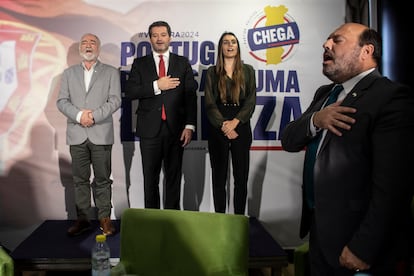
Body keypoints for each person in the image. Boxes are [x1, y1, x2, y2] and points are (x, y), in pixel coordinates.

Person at [281, 22, 414, 275]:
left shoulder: (391, 97)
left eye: (337, 40)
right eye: (327, 40)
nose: (326, 44)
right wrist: (315, 120)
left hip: (358, 242)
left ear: (366, 51)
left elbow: (394, 188)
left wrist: (364, 247)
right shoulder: (326, 94)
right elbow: (289, 140)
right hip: (320, 234)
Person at [124, 21, 197, 210]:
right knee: (150, 178)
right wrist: (157, 86)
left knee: (174, 177)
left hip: (176, 130)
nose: (159, 39)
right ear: (150, 39)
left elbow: (190, 96)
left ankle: (172, 219)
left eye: (163, 34)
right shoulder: (140, 64)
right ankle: (152, 221)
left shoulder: (182, 63)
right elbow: (131, 92)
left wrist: (189, 125)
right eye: (155, 35)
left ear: (170, 37)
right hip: (149, 130)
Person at [57, 33, 121, 236]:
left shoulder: (111, 72)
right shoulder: (68, 73)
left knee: (103, 180)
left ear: (98, 48)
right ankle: (82, 220)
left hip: (100, 133)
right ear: (79, 49)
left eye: (92, 42)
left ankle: (105, 221)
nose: (88, 45)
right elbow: (62, 101)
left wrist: (92, 116)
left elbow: (114, 100)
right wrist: (78, 115)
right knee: (79, 180)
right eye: (84, 42)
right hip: (77, 134)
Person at [204, 32, 256, 215]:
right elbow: (209, 104)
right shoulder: (212, 72)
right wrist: (224, 126)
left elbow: (250, 102)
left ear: (238, 46)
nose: (230, 45)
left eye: (233, 42)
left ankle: (239, 220)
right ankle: (220, 219)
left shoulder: (248, 70)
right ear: (221, 47)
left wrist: (235, 123)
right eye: (226, 42)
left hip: (240, 126)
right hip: (218, 128)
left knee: (240, 178)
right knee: (219, 178)